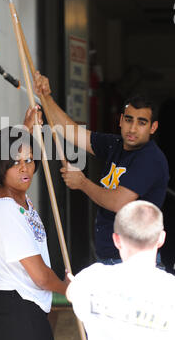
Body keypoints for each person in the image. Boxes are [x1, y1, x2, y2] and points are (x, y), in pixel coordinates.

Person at [31, 72, 169, 264]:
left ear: (153, 128)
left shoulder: (150, 159)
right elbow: (71, 131)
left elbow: (118, 202)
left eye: (142, 122)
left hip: (135, 261)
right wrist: (46, 96)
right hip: (111, 257)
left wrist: (82, 183)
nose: (133, 128)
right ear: (120, 120)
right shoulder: (115, 145)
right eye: (129, 120)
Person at [0, 121, 68, 340]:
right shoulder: (7, 209)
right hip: (17, 311)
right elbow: (40, 276)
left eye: (29, 160)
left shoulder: (17, 196)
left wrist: (27, 129)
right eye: (15, 163)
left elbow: (17, 151)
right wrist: (67, 289)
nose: (25, 168)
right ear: (0, 166)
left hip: (13, 309)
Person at [66, 200, 175, 340]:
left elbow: (71, 293)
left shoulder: (92, 279)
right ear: (161, 238)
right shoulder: (171, 290)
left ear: (116, 240)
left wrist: (76, 283)